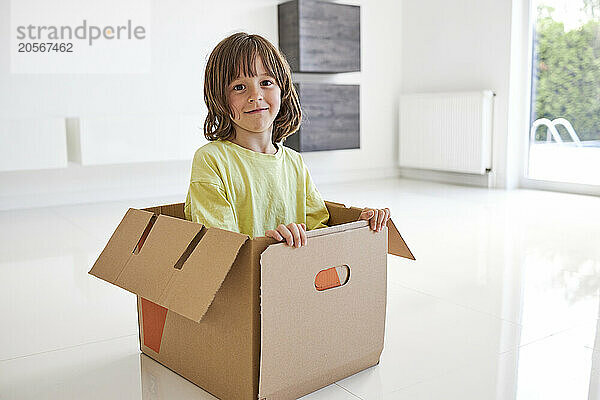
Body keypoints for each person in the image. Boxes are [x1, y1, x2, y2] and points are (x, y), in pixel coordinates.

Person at [184, 32, 390, 248]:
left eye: (266, 82)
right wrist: (270, 245)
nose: (256, 95)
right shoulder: (211, 159)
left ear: (282, 90)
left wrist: (358, 227)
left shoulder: (295, 162)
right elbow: (219, 246)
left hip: (293, 276)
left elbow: (320, 231)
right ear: (219, 98)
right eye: (239, 87)